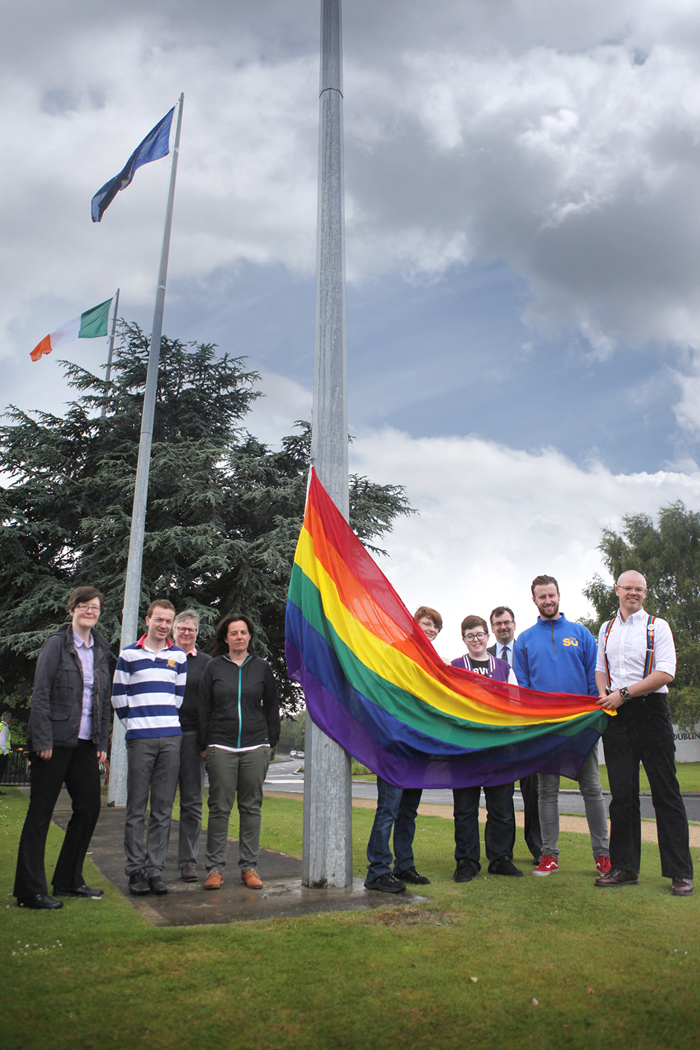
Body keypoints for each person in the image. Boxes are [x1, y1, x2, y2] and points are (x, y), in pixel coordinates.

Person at [594, 570, 694, 896]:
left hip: (651, 711)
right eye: (628, 588)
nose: (633, 593)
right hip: (617, 716)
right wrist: (606, 696)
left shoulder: (657, 626)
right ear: (617, 590)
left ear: (645, 593)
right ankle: (625, 868)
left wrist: (623, 694)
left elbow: (666, 672)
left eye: (639, 589)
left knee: (666, 792)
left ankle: (679, 872)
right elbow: (600, 669)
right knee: (622, 796)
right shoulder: (606, 629)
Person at [13, 587, 111, 909]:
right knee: (40, 814)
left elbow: (102, 700)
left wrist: (100, 742)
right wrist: (41, 740)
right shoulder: (57, 644)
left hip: (84, 743)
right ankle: (30, 892)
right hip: (53, 742)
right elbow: (40, 694)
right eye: (83, 605)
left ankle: (69, 881)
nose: (89, 611)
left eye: (94, 607)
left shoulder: (100, 649)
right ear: (72, 610)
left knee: (89, 808)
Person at [513, 575, 610, 877]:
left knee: (592, 789)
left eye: (551, 595)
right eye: (542, 597)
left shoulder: (581, 634)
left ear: (559, 595)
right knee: (546, 792)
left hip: (580, 728)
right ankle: (549, 856)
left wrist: (591, 721)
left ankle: (603, 856)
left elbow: (594, 682)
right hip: (546, 731)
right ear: (534, 600)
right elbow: (523, 689)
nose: (548, 601)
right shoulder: (525, 640)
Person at [198, 613, 280, 891]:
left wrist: (271, 742)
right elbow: (204, 707)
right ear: (225, 638)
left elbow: (271, 706)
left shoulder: (262, 668)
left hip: (255, 746)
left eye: (244, 632)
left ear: (250, 637)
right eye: (234, 633)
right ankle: (215, 869)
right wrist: (204, 745)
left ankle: (249, 867)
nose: (240, 637)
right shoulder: (214, 667)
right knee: (219, 808)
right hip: (220, 745)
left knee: (251, 808)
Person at [111, 599, 186, 896]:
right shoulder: (129, 654)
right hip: (140, 738)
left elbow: (177, 697)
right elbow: (119, 696)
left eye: (168, 621)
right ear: (148, 620)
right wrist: (136, 725)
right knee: (136, 808)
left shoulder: (178, 656)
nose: (163, 625)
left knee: (163, 809)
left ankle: (155, 870)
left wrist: (162, 722)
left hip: (170, 737)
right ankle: (135, 870)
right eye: (159, 619)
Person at [364, 606, 440, 893]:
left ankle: (404, 865)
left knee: (408, 811)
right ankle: (377, 871)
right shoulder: (394, 652)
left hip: (419, 745)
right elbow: (381, 694)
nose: (430, 629)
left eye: (435, 627)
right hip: (395, 743)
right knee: (389, 809)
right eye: (426, 624)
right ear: (413, 626)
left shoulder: (432, 661)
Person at [451, 615, 523, 881]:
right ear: (464, 639)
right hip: (466, 749)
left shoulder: (503, 667)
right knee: (465, 808)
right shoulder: (456, 666)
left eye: (480, 634)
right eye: (470, 636)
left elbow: (515, 703)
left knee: (502, 807)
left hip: (498, 748)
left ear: (488, 636)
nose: (476, 640)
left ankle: (501, 858)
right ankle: (467, 861)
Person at [488, 606, 542, 865]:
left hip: (528, 733)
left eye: (507, 622)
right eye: (498, 623)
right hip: (500, 737)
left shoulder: (527, 651)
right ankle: (503, 853)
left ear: (514, 624)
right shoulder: (482, 657)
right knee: (501, 796)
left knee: (534, 793)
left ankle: (538, 848)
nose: (503, 627)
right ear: (492, 628)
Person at [172, 610, 211, 883]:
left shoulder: (207, 664)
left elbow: (210, 706)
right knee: (161, 804)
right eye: (181, 628)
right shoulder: (160, 658)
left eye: (191, 629)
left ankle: (188, 862)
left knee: (192, 803)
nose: (186, 633)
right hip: (163, 735)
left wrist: (205, 742)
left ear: (197, 633)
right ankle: (153, 861)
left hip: (193, 739)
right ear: (173, 630)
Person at [0, 711, 12, 794]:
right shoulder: (4, 727)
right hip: (2, 753)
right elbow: (2, 741)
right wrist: (5, 751)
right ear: (8, 719)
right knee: (0, 771)